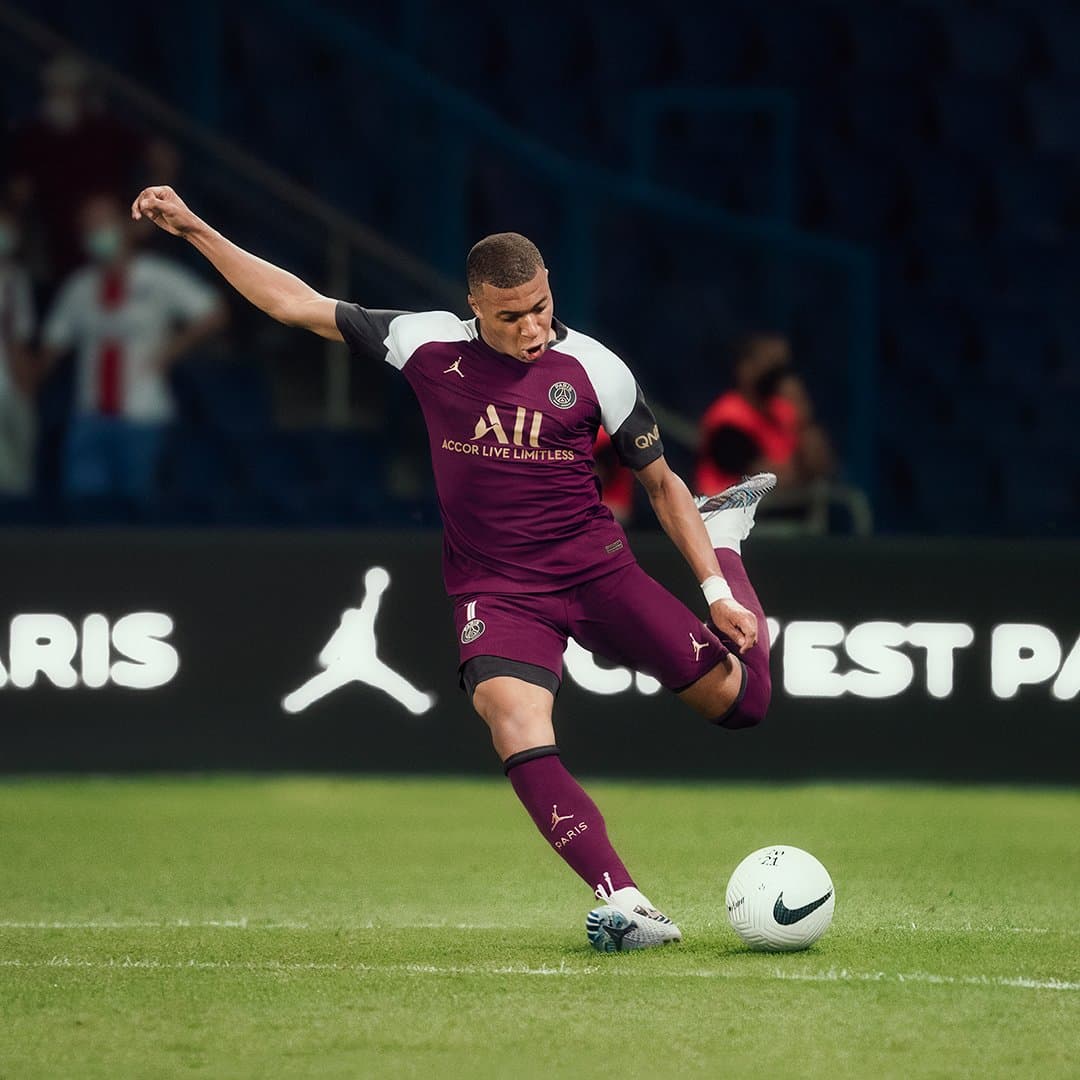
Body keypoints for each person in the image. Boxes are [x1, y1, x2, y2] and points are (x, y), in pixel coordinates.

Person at [132, 184, 776, 951]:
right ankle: (627, 903)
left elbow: (662, 486)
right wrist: (196, 227)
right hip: (497, 590)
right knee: (513, 722)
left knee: (744, 704)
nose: (533, 327)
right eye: (511, 315)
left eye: (540, 306)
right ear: (475, 304)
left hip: (599, 574)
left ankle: (726, 536)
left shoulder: (596, 368)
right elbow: (294, 304)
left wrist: (712, 585)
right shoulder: (426, 342)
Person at [42, 194, 227, 501]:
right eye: (88, 226)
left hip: (144, 416)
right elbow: (50, 347)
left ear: (124, 226)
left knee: (137, 517)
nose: (95, 231)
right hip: (88, 417)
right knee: (83, 516)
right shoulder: (79, 287)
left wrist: (172, 350)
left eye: (102, 222)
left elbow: (213, 312)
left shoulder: (158, 276)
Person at [696, 331, 834, 496]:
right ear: (745, 368)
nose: (775, 378)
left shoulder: (783, 411)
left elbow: (822, 465)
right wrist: (803, 471)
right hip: (734, 511)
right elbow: (766, 479)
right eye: (770, 368)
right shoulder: (728, 417)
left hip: (788, 510)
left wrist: (803, 418)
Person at [0, 207, 38, 496]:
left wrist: (25, 390)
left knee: (16, 481)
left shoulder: (16, 280)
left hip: (11, 391)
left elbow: (20, 338)